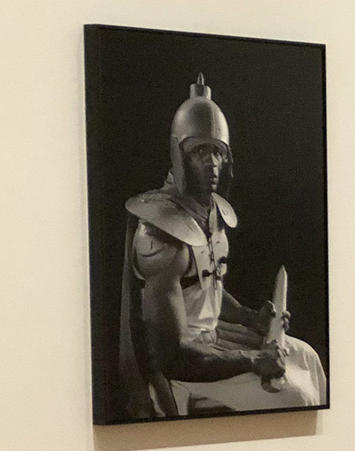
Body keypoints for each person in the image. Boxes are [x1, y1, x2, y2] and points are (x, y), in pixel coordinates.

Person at [118, 73, 327, 418]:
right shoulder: (160, 234)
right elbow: (172, 356)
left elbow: (206, 288)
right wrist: (252, 359)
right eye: (201, 151)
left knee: (307, 357)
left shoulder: (211, 213)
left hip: (213, 343)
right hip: (185, 370)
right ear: (179, 154)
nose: (212, 163)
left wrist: (251, 318)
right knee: (297, 397)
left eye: (217, 152)